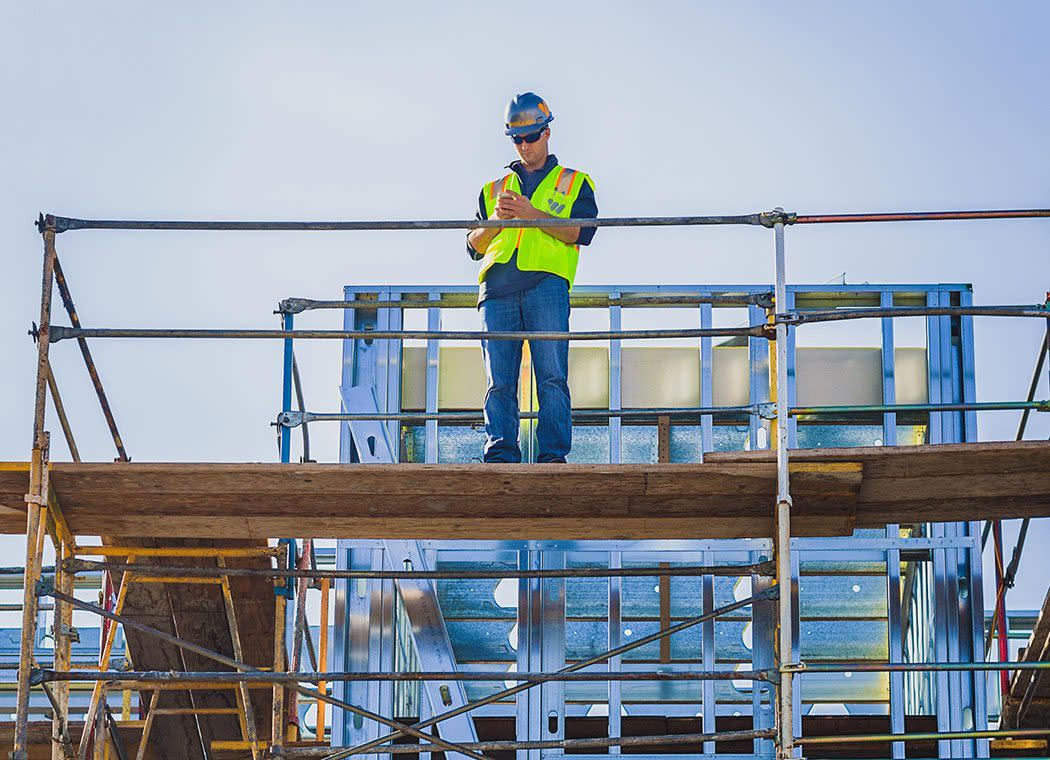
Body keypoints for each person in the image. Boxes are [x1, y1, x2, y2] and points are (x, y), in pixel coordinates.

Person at [466, 92, 598, 463]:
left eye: (531, 137)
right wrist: (496, 222)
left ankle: (553, 456)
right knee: (499, 381)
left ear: (547, 133)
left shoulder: (574, 182)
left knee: (552, 376)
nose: (525, 145)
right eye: (517, 139)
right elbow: (473, 244)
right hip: (496, 290)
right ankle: (500, 454)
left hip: (546, 284)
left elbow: (581, 233)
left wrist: (530, 214)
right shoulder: (493, 189)